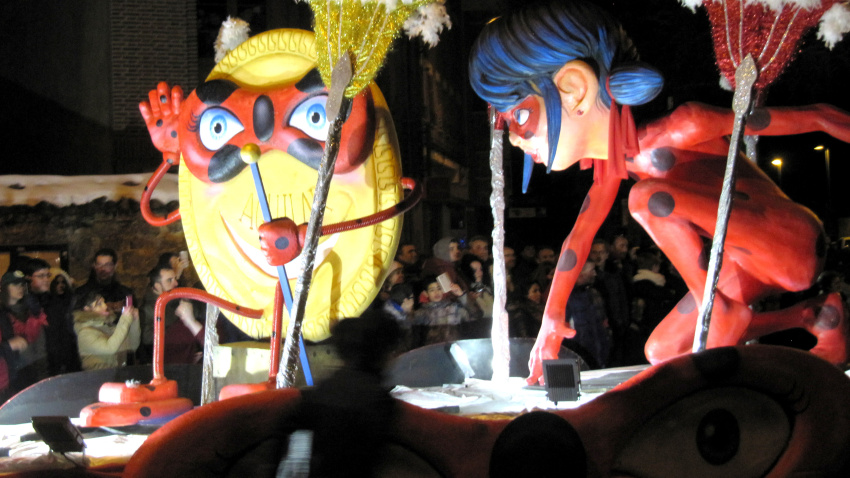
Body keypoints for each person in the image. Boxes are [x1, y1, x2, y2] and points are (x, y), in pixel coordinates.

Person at [469, 0, 850, 383]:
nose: (516, 141)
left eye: (520, 116)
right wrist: (551, 320)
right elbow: (577, 241)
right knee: (662, 350)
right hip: (740, 264)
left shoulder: (683, 126)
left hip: (789, 241)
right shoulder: (611, 170)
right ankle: (815, 316)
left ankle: (718, 311)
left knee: (648, 200)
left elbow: (816, 116)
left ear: (573, 89)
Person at [140, 265, 204, 365]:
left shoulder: (176, 300)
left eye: (175, 279)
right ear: (157, 286)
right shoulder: (148, 310)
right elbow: (147, 339)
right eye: (169, 280)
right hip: (166, 363)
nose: (176, 283)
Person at [0, 271, 47, 400]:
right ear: (5, 287)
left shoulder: (30, 309)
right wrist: (8, 346)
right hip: (11, 373)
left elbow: (36, 341)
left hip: (31, 367)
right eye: (15, 284)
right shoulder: (3, 313)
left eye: (22, 284)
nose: (20, 288)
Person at [73, 291, 140, 371]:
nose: (105, 306)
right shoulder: (85, 333)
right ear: (87, 309)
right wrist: (125, 319)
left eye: (103, 302)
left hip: (116, 375)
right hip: (98, 379)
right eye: (99, 304)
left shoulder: (107, 327)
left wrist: (135, 321)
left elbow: (132, 345)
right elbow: (110, 348)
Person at [412, 275, 481, 347]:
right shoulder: (422, 313)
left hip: (453, 349)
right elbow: (408, 327)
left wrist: (461, 295)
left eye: (439, 288)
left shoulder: (454, 308)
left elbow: (476, 315)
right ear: (425, 293)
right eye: (432, 290)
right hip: (432, 351)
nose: (436, 292)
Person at [42, 268, 81, 376]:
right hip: (54, 345)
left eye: (63, 282)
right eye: (57, 283)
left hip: (69, 344)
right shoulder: (47, 303)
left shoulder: (71, 301)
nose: (60, 286)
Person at [74, 248, 135, 316]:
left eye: (107, 265)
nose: (102, 269)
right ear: (94, 265)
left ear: (115, 266)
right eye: (99, 264)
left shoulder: (125, 294)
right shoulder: (81, 294)